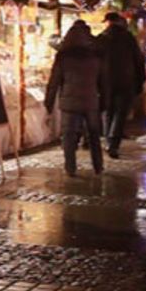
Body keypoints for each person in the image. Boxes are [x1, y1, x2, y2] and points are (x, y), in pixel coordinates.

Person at [45, 20, 105, 177]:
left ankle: (70, 167)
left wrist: (48, 105)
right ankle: (98, 166)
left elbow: (54, 82)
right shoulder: (95, 56)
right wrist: (103, 102)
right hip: (91, 100)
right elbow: (103, 81)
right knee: (93, 135)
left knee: (69, 136)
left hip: (69, 102)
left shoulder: (63, 56)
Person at [97, 12, 146, 159]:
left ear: (108, 22)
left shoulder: (101, 38)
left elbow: (95, 62)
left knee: (108, 111)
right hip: (126, 80)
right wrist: (140, 81)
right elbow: (138, 60)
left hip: (106, 82)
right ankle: (113, 143)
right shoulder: (128, 38)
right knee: (120, 113)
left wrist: (96, 82)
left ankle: (108, 141)